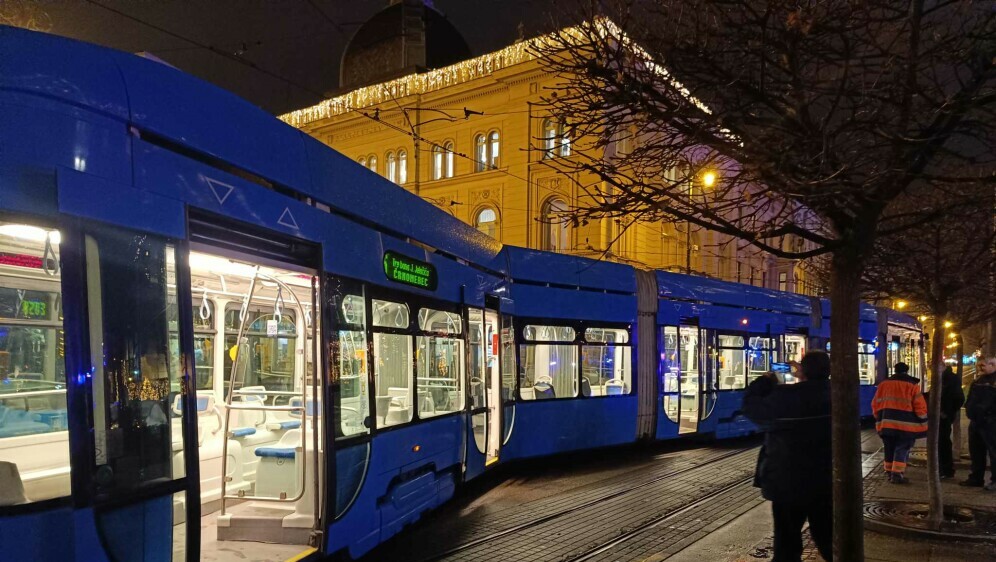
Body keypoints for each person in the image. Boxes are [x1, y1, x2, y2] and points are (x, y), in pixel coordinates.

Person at [742, 352, 832, 562]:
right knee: (828, 538)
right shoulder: (838, 394)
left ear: (802, 370)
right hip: (826, 481)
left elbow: (750, 406)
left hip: (788, 483)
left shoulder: (786, 398)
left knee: (786, 543)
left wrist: (766, 380)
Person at [872, 362, 928, 484]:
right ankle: (897, 475)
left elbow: (875, 404)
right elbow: (920, 407)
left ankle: (888, 472)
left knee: (889, 448)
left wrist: (879, 418)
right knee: (902, 448)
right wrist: (924, 420)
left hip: (886, 425)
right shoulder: (912, 386)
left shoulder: (883, 385)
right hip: (906, 426)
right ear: (907, 371)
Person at [962, 357, 996, 489]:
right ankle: (976, 478)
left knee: (993, 452)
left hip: (991, 423)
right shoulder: (978, 381)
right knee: (976, 452)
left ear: (992, 365)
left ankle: (994, 480)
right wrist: (970, 411)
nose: (979, 369)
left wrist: (987, 415)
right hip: (976, 422)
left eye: (982, 366)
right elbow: (970, 398)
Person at [938, 365, 965, 479]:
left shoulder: (950, 379)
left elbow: (959, 398)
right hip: (939, 416)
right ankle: (942, 469)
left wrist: (947, 413)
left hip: (944, 417)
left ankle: (945, 469)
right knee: (940, 443)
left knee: (943, 442)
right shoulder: (941, 378)